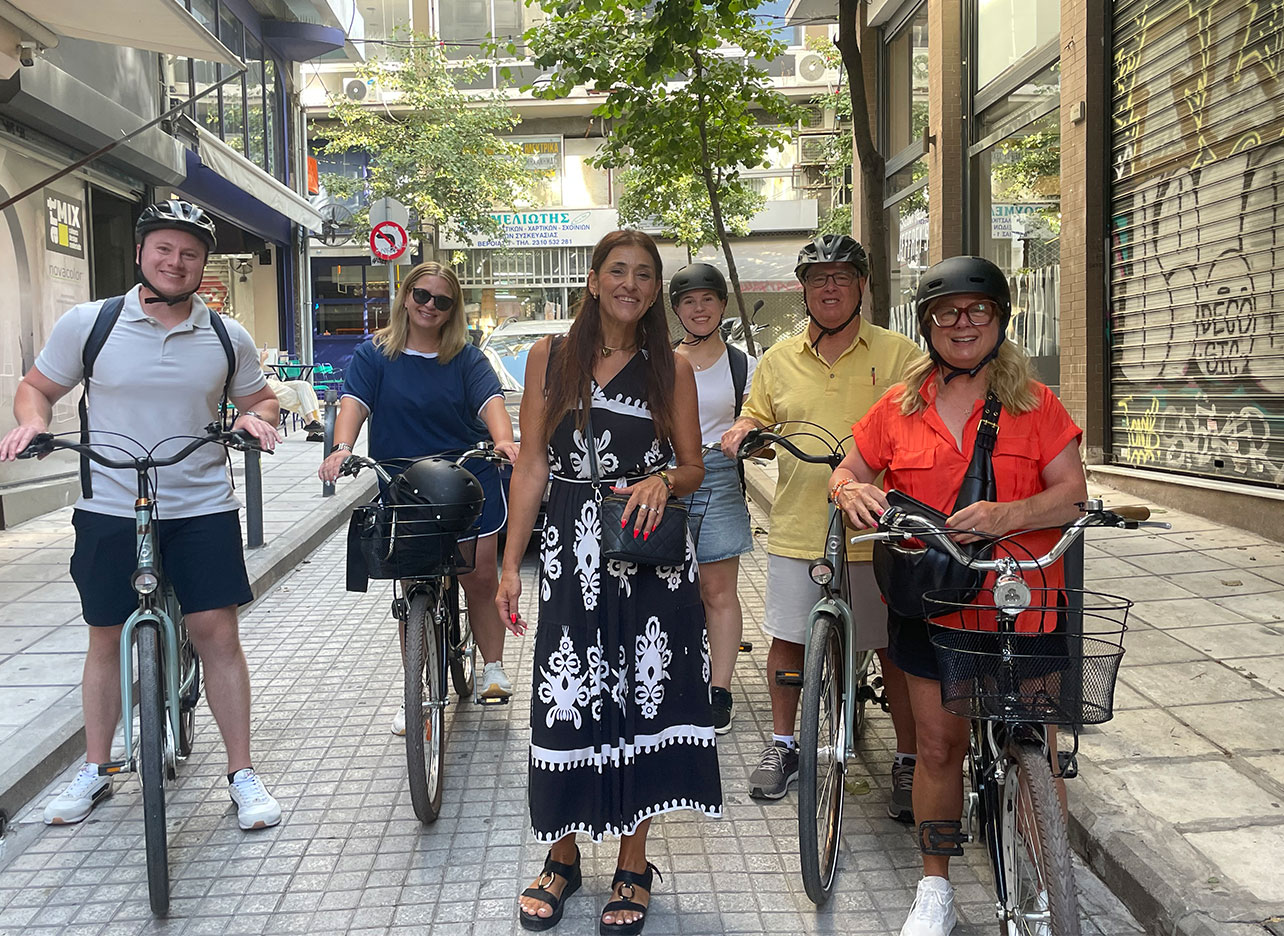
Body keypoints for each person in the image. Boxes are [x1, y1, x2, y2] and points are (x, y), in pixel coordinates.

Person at [0, 199, 284, 830]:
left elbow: (261, 399)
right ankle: (96, 769)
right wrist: (31, 425)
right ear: (140, 253)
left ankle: (241, 773)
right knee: (106, 636)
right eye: (164, 249)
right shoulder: (91, 323)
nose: (175, 262)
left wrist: (252, 419)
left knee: (217, 633)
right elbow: (37, 388)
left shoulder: (224, 335)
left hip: (202, 505)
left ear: (203, 264)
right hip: (108, 504)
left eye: (188, 253)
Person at [829, 255, 1087, 936]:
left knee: (1035, 739)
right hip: (931, 599)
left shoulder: (1036, 404)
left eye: (978, 310)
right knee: (939, 748)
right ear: (928, 325)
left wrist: (1010, 514)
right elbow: (850, 467)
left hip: (1021, 600)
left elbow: (1072, 492)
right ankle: (935, 887)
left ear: (999, 320)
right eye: (948, 312)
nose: (962, 323)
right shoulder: (899, 406)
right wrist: (849, 488)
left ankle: (1047, 880)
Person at [497, 230, 720, 934]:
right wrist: (508, 562)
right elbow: (532, 464)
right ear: (593, 281)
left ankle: (633, 861)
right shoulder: (549, 357)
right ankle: (560, 855)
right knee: (567, 696)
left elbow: (693, 466)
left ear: (656, 290)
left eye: (645, 274)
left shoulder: (671, 367)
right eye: (617, 271)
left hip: (647, 552)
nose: (631, 283)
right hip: (569, 550)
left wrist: (662, 478)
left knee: (641, 699)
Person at [720, 233, 922, 816]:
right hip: (799, 527)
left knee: (892, 651)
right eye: (817, 278)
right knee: (788, 640)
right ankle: (785, 745)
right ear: (803, 290)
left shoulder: (899, 354)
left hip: (881, 531)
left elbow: (922, 423)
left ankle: (906, 760)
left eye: (841, 276)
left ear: (862, 285)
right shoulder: (779, 359)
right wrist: (743, 433)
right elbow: (756, 416)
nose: (829, 286)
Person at [319, 261, 519, 724]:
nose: (430, 306)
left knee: (479, 576)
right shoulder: (375, 355)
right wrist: (342, 448)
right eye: (422, 296)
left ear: (453, 310)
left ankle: (492, 666)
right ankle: (417, 695)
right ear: (406, 297)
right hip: (404, 481)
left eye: (442, 300)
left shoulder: (467, 358)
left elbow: (491, 403)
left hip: (466, 476)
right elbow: (354, 404)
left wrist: (504, 440)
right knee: (412, 584)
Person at [669, 262, 756, 734]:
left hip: (719, 477)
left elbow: (759, 417)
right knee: (663, 587)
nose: (698, 309)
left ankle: (718, 691)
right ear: (677, 310)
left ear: (722, 305)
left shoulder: (743, 363)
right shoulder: (658, 359)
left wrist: (752, 435)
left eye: (707, 299)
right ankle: (671, 679)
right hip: (663, 476)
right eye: (688, 301)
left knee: (717, 590)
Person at [259, 349, 325, 439]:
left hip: (273, 382)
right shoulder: (239, 363)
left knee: (304, 385)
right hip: (265, 388)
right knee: (298, 397)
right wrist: (262, 359)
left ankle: (312, 424)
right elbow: (255, 377)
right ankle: (312, 428)